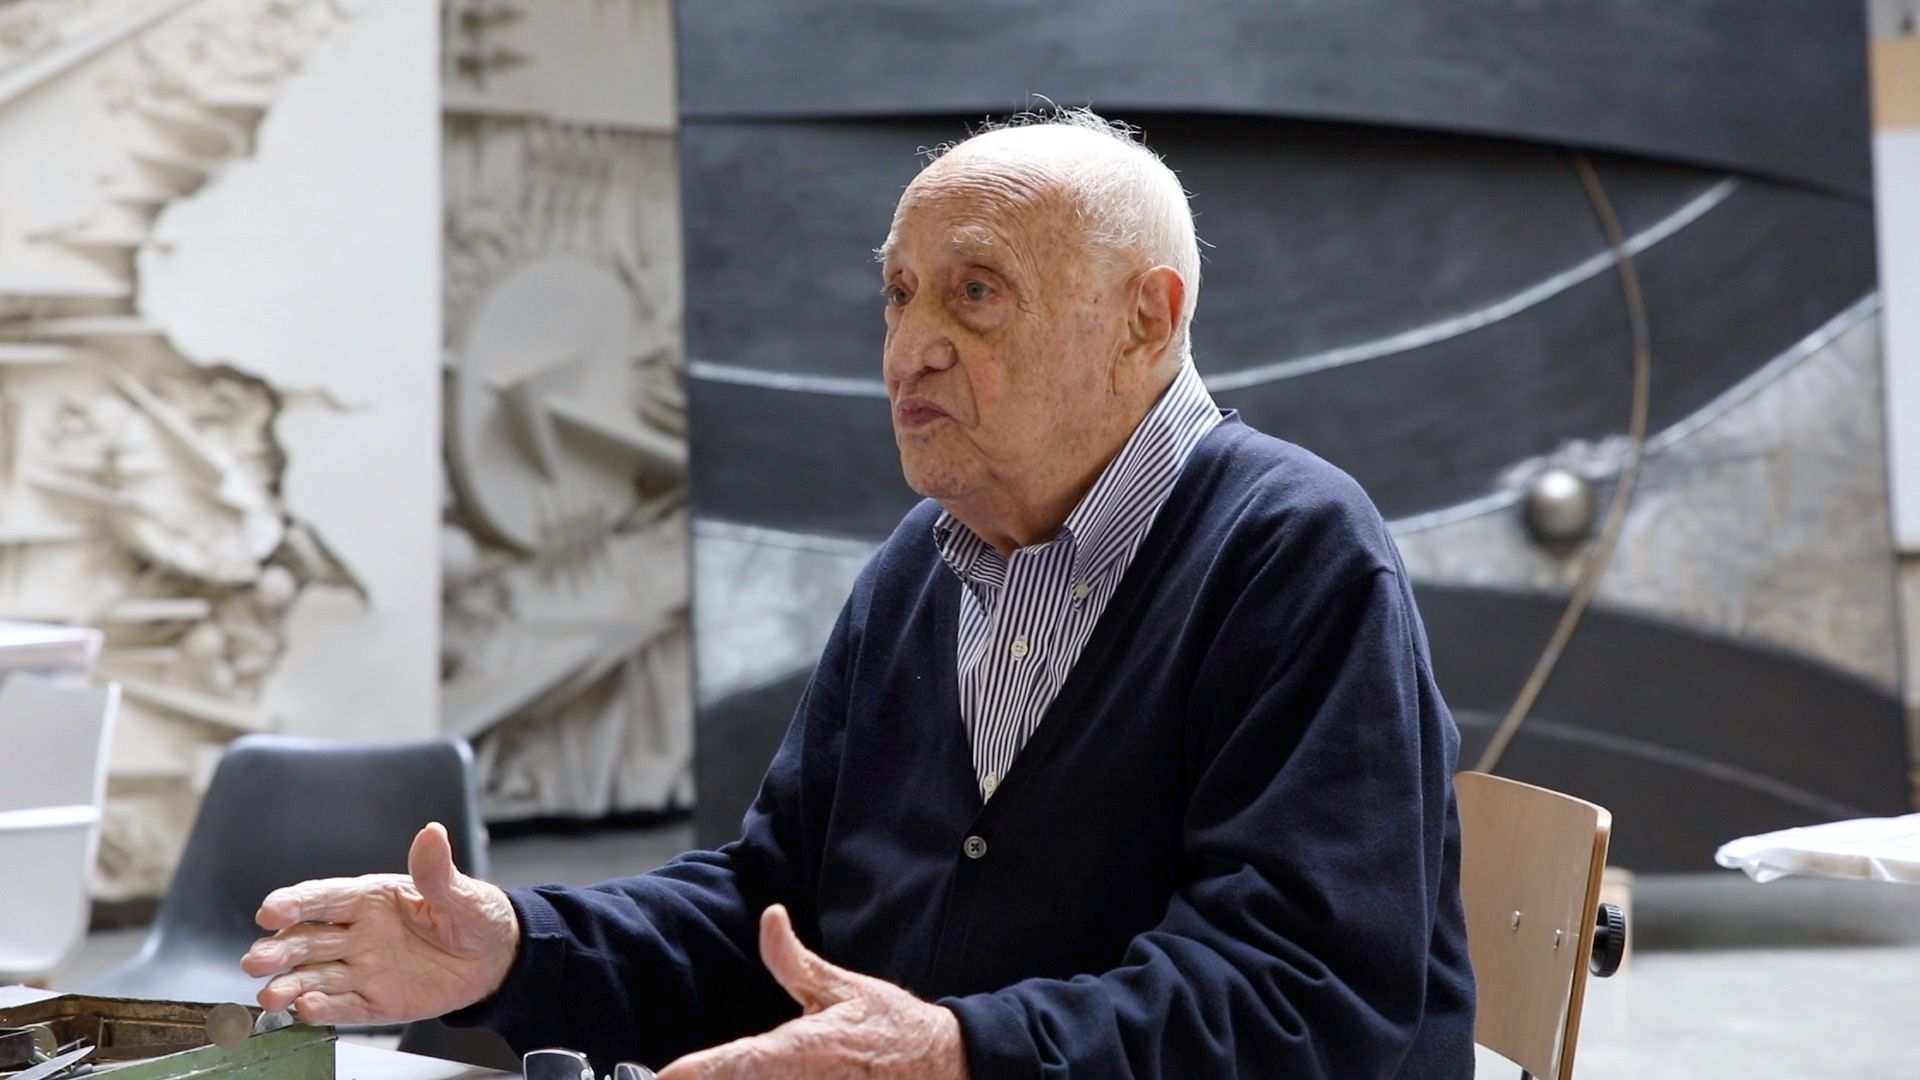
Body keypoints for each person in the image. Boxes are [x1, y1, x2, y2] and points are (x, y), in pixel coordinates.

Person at [243, 108, 1476, 1078]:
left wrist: (957, 1054)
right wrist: (518, 948)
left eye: (975, 293)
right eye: (897, 294)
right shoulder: (920, 569)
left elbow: (1305, 1000)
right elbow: (776, 917)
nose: (908, 349)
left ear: (1145, 321)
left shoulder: (1294, 552)